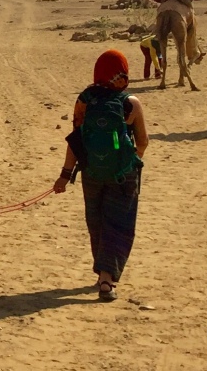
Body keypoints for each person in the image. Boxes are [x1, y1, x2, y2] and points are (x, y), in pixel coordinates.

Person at [52, 49, 149, 301]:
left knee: (96, 222)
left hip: (91, 172)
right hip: (124, 175)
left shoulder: (84, 100)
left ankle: (101, 272)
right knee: (119, 223)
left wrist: (64, 175)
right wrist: (129, 159)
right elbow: (143, 141)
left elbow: (76, 140)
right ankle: (107, 278)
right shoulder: (131, 103)